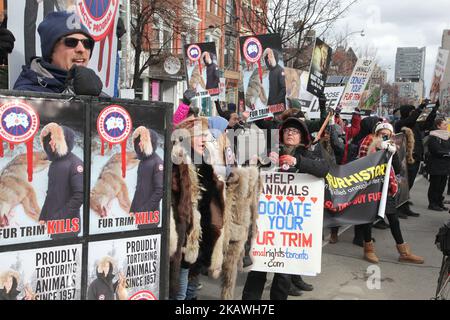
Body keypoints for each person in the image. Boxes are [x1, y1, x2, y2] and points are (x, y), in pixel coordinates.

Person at [242, 117, 329, 300]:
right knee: (257, 269)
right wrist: (261, 161)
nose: (290, 133)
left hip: (291, 227)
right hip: (266, 226)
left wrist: (297, 162)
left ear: (302, 137)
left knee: (283, 275)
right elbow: (248, 173)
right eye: (288, 130)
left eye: (295, 131)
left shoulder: (308, 154)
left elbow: (323, 169)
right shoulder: (272, 150)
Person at [170, 117, 225, 300]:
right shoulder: (179, 163)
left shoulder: (204, 161)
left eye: (205, 135)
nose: (204, 140)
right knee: (181, 289)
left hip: (202, 237)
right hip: (186, 237)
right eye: (199, 135)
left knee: (192, 288)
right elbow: (176, 201)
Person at [357, 122, 424, 264]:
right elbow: (362, 165)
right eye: (382, 133)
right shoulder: (370, 145)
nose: (385, 135)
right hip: (371, 188)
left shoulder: (391, 148)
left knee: (393, 219)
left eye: (388, 133)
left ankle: (404, 253)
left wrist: (392, 154)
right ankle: (368, 250)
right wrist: (376, 150)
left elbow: (398, 170)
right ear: (377, 134)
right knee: (368, 219)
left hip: (386, 189)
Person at [14, 10, 102, 96]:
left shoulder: (92, 88)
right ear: (51, 51)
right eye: (71, 42)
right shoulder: (28, 93)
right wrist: (73, 94)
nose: (81, 49)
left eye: (87, 43)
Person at [394, 100, 441, 217]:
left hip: (416, 158)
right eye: (412, 111)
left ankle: (404, 207)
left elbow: (428, 124)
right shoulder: (401, 123)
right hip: (405, 159)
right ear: (407, 113)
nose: (414, 114)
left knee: (409, 185)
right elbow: (411, 119)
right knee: (404, 185)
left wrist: (434, 110)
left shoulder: (414, 125)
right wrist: (421, 107)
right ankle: (397, 208)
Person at [38, 123, 83, 238]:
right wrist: (44, 216)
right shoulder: (55, 164)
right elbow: (51, 193)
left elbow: (80, 196)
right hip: (55, 226)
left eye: (53, 139)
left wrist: (59, 217)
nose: (50, 142)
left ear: (63, 141)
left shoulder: (75, 163)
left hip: (68, 227)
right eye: (49, 139)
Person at [129, 126, 164, 228]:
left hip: (150, 217)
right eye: (138, 140)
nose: (139, 143)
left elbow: (159, 191)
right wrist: (133, 208)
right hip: (141, 215)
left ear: (150, 142)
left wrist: (145, 210)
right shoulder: (143, 162)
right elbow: (139, 188)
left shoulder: (157, 162)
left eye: (142, 140)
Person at [426, 118, 450, 211]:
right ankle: (432, 203)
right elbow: (436, 150)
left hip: (445, 165)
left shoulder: (447, 136)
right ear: (438, 126)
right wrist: (448, 153)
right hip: (435, 164)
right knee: (434, 185)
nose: (446, 126)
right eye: (444, 125)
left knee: (442, 186)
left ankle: (439, 202)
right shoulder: (433, 136)